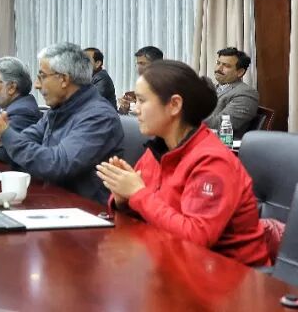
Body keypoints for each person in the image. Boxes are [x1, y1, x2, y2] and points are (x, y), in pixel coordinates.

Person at [95, 60, 276, 266]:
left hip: (231, 274)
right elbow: (149, 216)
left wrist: (137, 193)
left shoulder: (212, 161)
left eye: (142, 101)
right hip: (170, 260)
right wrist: (123, 199)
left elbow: (196, 239)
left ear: (174, 105)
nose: (136, 109)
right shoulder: (158, 149)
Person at [0, 42, 123, 204]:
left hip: (86, 210)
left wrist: (5, 135)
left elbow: (56, 165)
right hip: (53, 201)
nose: (37, 85)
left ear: (64, 79)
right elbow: (22, 144)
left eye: (42, 76)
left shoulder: (99, 116)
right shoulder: (58, 109)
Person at [203, 47, 260, 137]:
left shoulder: (246, 93)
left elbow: (222, 124)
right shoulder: (215, 88)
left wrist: (188, 116)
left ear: (240, 72)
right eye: (218, 63)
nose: (219, 68)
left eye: (226, 66)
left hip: (222, 142)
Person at [119, 46, 164, 114]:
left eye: (142, 64)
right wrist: (124, 108)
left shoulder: (166, 85)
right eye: (138, 64)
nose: (139, 68)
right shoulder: (143, 83)